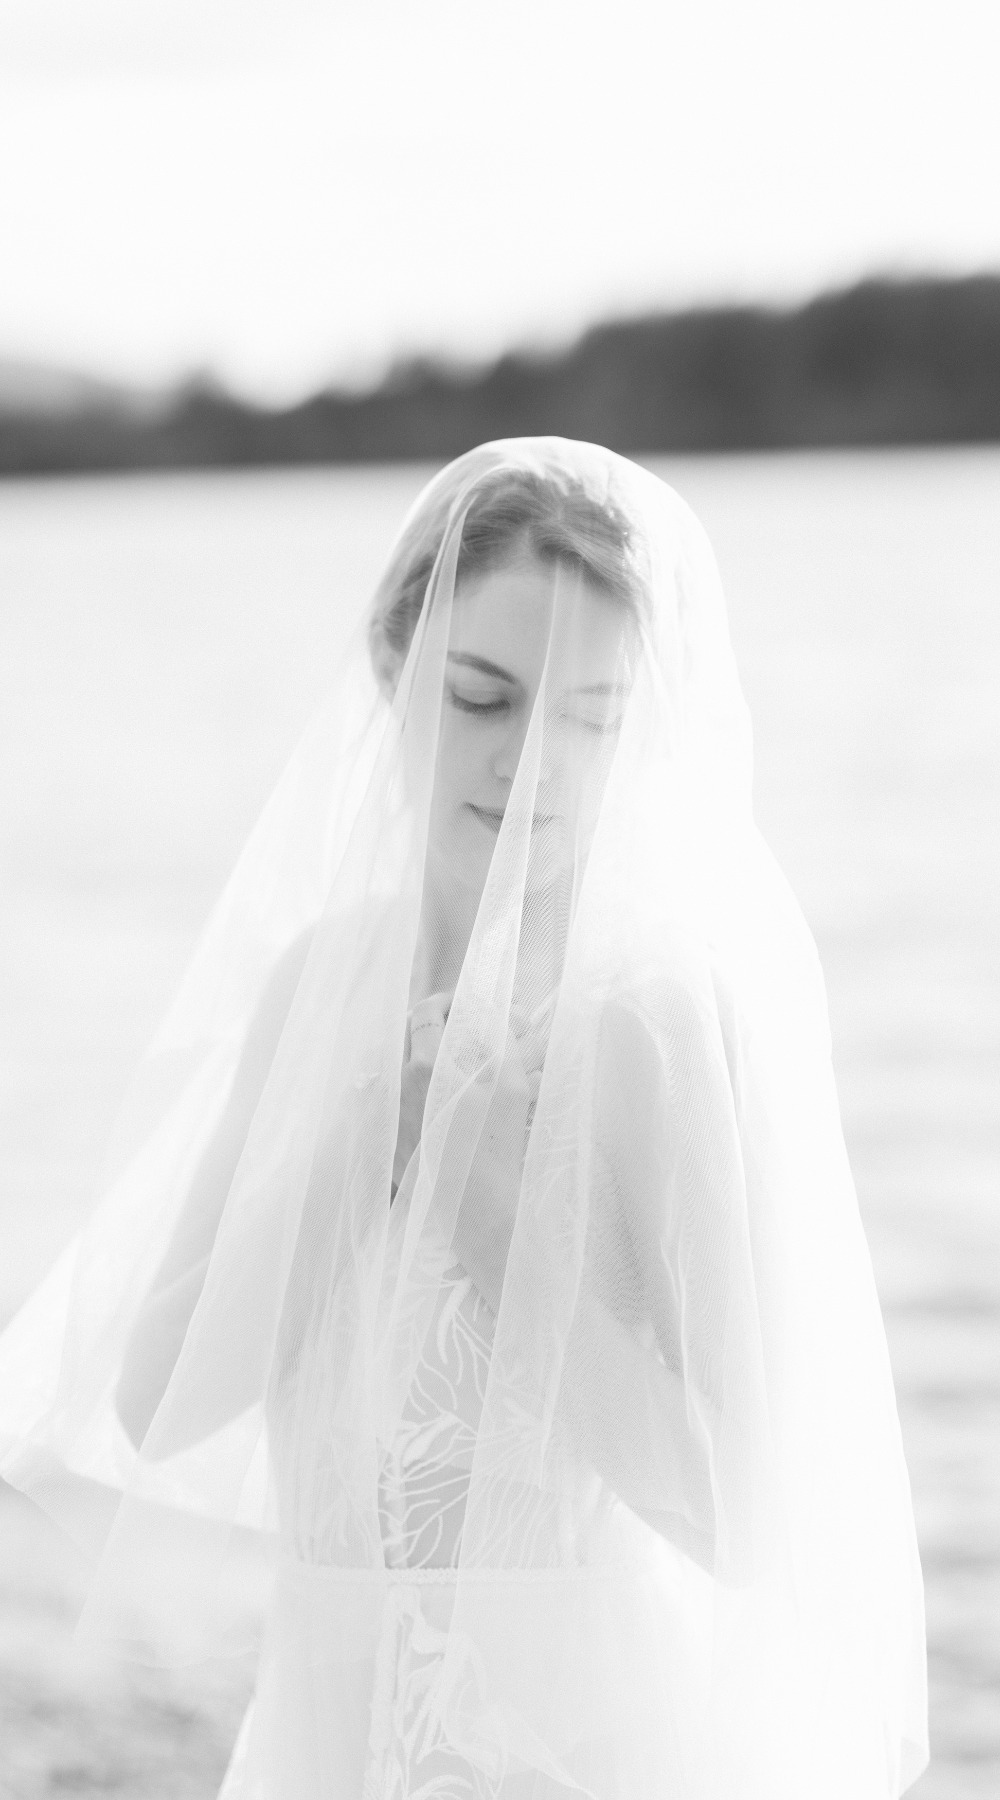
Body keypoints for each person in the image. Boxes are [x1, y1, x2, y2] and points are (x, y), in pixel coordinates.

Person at [0, 439, 928, 1799]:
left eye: (592, 715)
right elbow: (158, 1398)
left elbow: (737, 1506)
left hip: (572, 1745)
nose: (532, 763)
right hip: (317, 1725)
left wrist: (492, 1189)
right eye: (485, 697)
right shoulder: (321, 981)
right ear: (395, 670)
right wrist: (369, 1135)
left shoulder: (649, 1020)